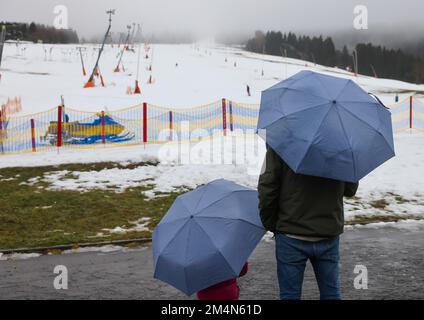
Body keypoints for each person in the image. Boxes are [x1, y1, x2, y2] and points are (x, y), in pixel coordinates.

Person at [258, 146, 358, 300]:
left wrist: (271, 223)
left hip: (290, 233)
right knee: (331, 294)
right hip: (328, 231)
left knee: (289, 295)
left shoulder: (281, 143)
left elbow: (267, 188)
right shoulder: (340, 145)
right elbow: (350, 189)